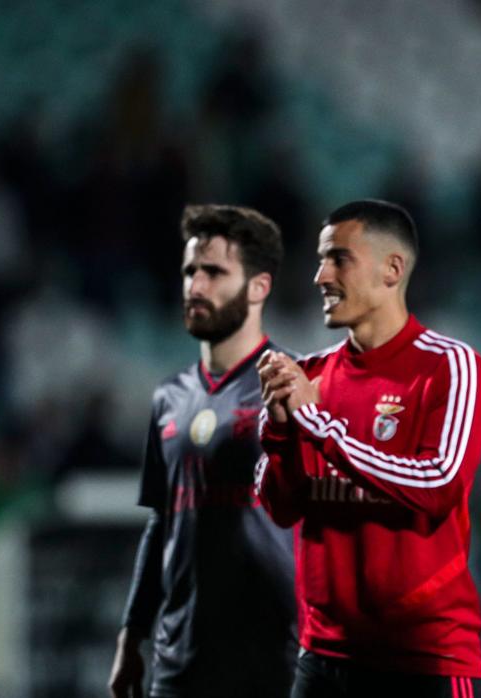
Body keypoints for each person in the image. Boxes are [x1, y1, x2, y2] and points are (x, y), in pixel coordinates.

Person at [254, 199, 481, 698]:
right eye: (320, 259)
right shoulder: (311, 376)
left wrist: (315, 423)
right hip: (322, 657)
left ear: (392, 269)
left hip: (425, 659)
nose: (321, 275)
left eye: (339, 259)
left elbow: (437, 485)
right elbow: (280, 507)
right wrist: (278, 432)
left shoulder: (452, 366)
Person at [110, 205, 296, 698]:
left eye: (213, 271)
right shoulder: (168, 398)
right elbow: (161, 523)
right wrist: (132, 635)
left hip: (274, 659)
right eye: (190, 271)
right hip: (178, 662)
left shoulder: (297, 384)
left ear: (259, 286)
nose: (194, 285)